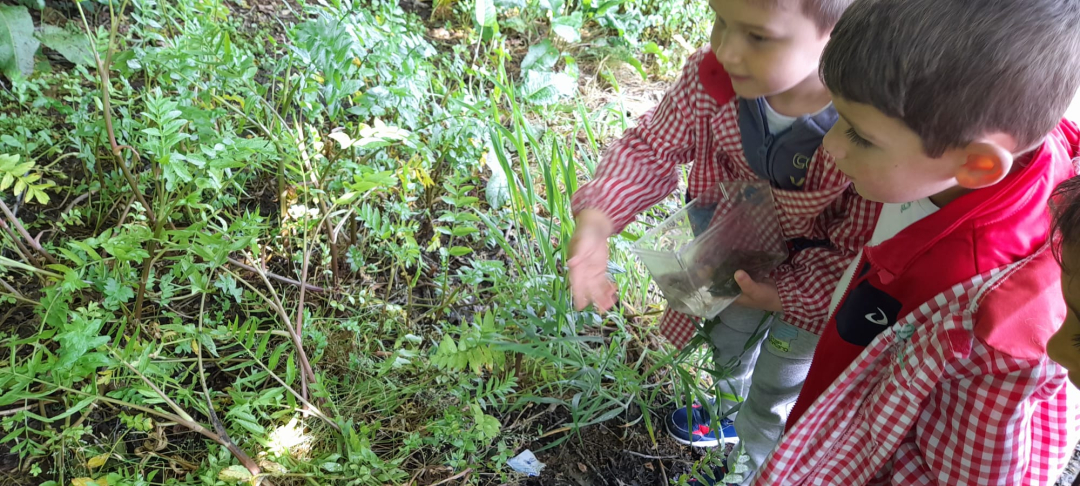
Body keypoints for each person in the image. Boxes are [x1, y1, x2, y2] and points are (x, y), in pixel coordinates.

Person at [752, 0, 1080, 483]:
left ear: (979, 164)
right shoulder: (958, 160)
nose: (832, 145)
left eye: (861, 136)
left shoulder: (987, 333)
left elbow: (968, 474)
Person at [567, 0, 879, 481]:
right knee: (727, 345)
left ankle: (756, 462)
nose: (727, 50)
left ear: (838, 35)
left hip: (809, 292)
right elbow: (651, 146)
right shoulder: (711, 80)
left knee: (781, 385)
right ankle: (723, 414)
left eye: (757, 36)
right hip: (728, 255)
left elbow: (859, 243)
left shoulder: (866, 128)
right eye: (719, 20)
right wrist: (598, 219)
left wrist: (783, 296)